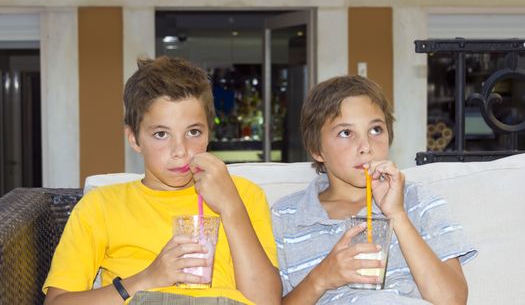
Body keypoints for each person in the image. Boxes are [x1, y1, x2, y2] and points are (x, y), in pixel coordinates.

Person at [43, 57, 281, 305]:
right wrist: (148, 278)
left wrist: (231, 206)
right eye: (161, 134)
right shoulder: (100, 206)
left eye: (193, 132)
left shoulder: (242, 195)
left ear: (209, 132)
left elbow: (266, 301)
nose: (180, 150)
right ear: (134, 138)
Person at [271, 75, 477, 305]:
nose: (366, 147)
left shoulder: (418, 200)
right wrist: (321, 278)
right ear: (316, 150)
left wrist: (397, 216)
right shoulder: (286, 217)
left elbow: (452, 300)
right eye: (346, 133)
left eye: (376, 130)